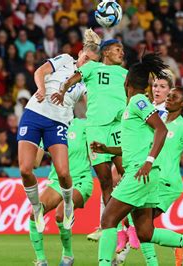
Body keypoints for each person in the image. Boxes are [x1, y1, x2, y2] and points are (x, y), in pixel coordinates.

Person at [89, 53, 183, 266]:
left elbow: (161, 129)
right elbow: (134, 145)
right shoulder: (133, 107)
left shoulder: (138, 101)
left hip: (140, 172)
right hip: (147, 175)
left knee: (108, 220)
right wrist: (106, 148)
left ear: (127, 82)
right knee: (145, 233)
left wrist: (148, 161)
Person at [17, 29, 100, 234]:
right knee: (26, 169)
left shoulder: (85, 82)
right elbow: (39, 72)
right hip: (34, 113)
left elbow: (92, 107)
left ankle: (69, 204)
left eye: (92, 62)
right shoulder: (64, 59)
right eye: (86, 58)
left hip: (59, 123)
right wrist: (42, 89)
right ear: (80, 53)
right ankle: (37, 208)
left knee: (63, 172)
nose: (87, 63)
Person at [52, 39, 128, 240]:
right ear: (106, 52)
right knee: (105, 182)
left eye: (122, 50)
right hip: (95, 129)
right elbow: (75, 77)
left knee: (126, 173)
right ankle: (111, 228)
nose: (122, 53)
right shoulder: (93, 67)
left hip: (118, 126)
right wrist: (62, 89)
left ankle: (129, 224)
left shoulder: (125, 74)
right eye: (117, 49)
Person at [29, 118, 93, 266]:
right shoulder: (48, 128)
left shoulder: (82, 125)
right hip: (57, 181)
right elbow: (35, 163)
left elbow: (94, 154)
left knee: (61, 214)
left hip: (80, 180)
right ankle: (41, 260)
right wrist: (32, 139)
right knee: (35, 213)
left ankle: (68, 255)